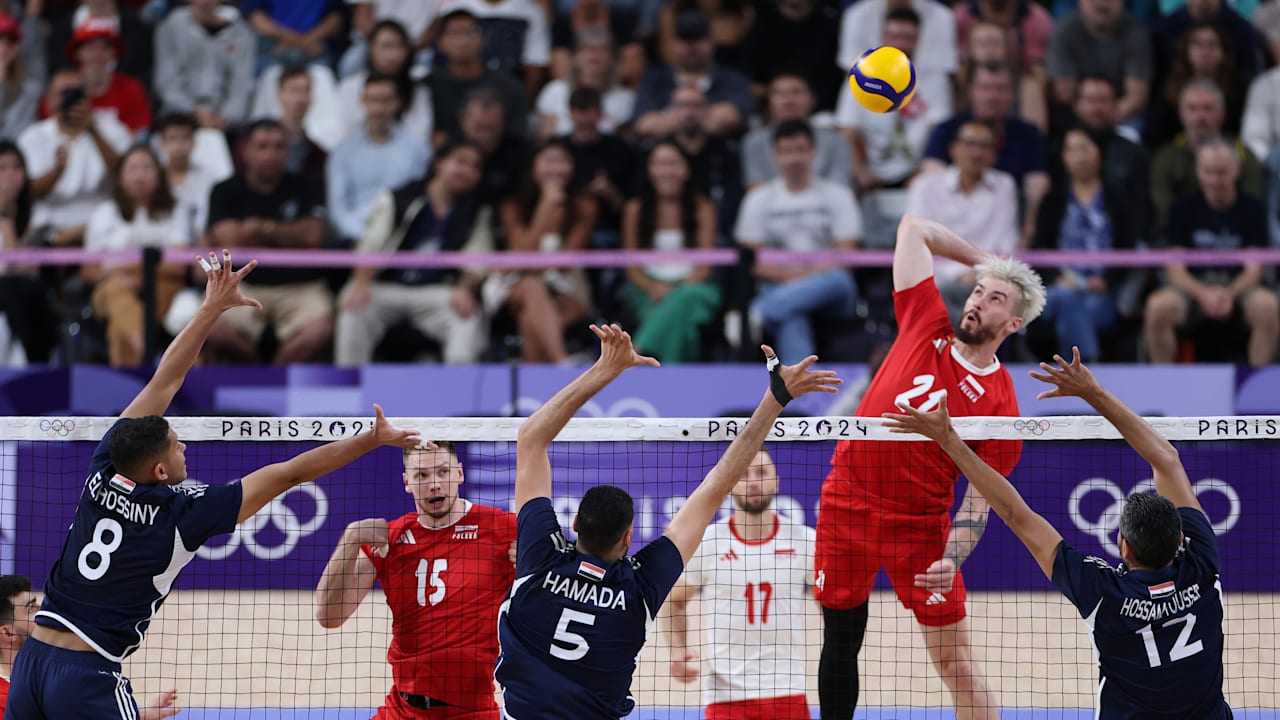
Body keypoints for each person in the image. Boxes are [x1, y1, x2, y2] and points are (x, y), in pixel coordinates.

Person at [4, 251, 421, 719]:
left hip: (32, 661)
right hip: (88, 673)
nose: (185, 448)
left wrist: (211, 308)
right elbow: (291, 473)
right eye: (177, 445)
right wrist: (370, 440)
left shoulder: (108, 460)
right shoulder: (187, 515)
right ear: (159, 471)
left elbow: (167, 378)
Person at [495, 323, 841, 719]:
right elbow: (716, 487)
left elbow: (530, 438)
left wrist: (604, 368)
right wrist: (774, 400)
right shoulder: (638, 590)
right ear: (629, 537)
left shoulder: (539, 559)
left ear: (575, 526)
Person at [883, 348, 1232, 720]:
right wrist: (1093, 391)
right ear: (1182, 539)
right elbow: (1167, 458)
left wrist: (949, 440)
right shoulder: (1203, 566)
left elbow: (1017, 514)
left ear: (1123, 546)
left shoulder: (1103, 593)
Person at [816, 213, 1046, 720]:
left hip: (918, 527)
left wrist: (954, 555)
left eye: (994, 299)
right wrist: (986, 262)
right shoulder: (925, 320)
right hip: (846, 503)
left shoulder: (1001, 403)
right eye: (977, 291)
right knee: (840, 642)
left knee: (954, 663)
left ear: (1013, 324)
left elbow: (982, 498)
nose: (977, 301)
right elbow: (913, 227)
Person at [315, 441, 517, 720]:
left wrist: (535, 563)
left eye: (443, 472)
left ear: (459, 473)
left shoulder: (502, 528)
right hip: (402, 710)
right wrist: (350, 539)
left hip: (473, 710)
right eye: (421, 475)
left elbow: (560, 577)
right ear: (406, 482)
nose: (434, 484)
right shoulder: (390, 538)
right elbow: (328, 615)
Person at [665, 448, 816, 720]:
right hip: (725, 697)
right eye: (744, 475)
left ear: (776, 482)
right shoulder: (709, 541)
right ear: (729, 483)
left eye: (761, 473)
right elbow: (674, 601)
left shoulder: (805, 541)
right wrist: (678, 649)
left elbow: (832, 605)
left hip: (787, 691)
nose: (753, 482)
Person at [334, 140, 492, 367]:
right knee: (353, 310)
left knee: (466, 316)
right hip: (385, 287)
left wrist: (465, 288)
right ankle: (347, 392)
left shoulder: (477, 211)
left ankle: (460, 394)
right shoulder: (398, 198)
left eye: (475, 167)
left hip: (438, 292)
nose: (467, 171)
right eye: (460, 162)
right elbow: (370, 245)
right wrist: (360, 283)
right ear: (438, 163)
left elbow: (477, 257)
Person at [204, 120, 332, 365]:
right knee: (215, 329)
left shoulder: (308, 185)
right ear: (246, 151)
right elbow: (229, 239)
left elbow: (312, 235)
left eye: (278, 147)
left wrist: (262, 228)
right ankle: (257, 372)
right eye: (262, 147)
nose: (270, 154)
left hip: (299, 285)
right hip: (240, 283)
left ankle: (276, 376)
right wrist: (285, 233)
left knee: (320, 329)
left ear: (287, 152)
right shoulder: (224, 190)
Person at [735, 119, 862, 363]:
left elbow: (846, 256)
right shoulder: (758, 199)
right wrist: (787, 276)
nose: (794, 158)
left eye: (800, 150)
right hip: (780, 283)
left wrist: (809, 275)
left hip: (832, 287)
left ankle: (761, 311)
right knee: (793, 317)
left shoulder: (838, 195)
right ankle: (800, 394)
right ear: (776, 155)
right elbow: (754, 261)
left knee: (839, 280)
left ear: (812, 151)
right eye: (786, 151)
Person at [1143, 138, 1278, 366]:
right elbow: (1175, 269)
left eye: (1222, 172)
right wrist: (1203, 294)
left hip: (1239, 286)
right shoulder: (1182, 208)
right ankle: (1163, 386)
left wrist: (1230, 294)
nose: (1215, 180)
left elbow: (1254, 269)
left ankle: (1257, 389)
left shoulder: (1254, 208)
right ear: (1198, 172)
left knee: (1267, 306)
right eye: (1209, 172)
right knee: (1158, 307)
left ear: (1236, 171)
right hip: (1193, 287)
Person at [0, 575, 178, 720]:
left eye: (39, 604)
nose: (42, 613)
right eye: (31, 609)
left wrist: (141, 715)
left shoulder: (49, 680)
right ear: (7, 633)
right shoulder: (8, 697)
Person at [83, 145, 192, 367]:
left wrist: (128, 268)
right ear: (120, 175)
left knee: (119, 326)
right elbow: (88, 270)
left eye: (147, 168)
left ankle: (131, 386)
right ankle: (144, 351)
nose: (140, 174)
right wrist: (117, 275)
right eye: (133, 168)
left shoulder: (176, 210)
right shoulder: (105, 213)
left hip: (163, 286)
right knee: (116, 291)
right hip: (110, 285)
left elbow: (179, 267)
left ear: (159, 175)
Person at [490, 139, 597, 364]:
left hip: (565, 284)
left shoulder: (584, 206)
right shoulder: (512, 206)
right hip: (516, 284)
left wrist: (521, 263)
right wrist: (545, 207)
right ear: (533, 168)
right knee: (531, 288)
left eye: (563, 161)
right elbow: (524, 251)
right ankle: (562, 362)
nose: (556, 168)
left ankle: (535, 386)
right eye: (549, 161)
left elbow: (564, 261)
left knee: (529, 318)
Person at [622, 140, 720, 363]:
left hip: (695, 285)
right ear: (649, 170)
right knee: (684, 323)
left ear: (686, 170)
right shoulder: (635, 209)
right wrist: (652, 287)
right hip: (648, 288)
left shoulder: (702, 207)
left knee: (686, 299)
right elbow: (632, 266)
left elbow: (705, 267)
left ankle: (638, 352)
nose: (667, 172)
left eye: (673, 164)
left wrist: (674, 290)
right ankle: (674, 375)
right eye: (660, 164)